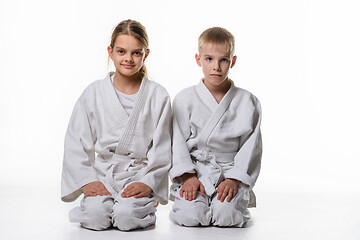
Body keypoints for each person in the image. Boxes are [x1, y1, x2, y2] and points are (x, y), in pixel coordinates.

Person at [61, 19, 171, 231]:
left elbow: (163, 147)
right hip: (104, 173)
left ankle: (143, 205)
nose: (128, 59)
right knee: (94, 217)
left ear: (145, 54)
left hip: (139, 174)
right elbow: (76, 141)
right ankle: (99, 204)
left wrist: (149, 182)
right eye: (121, 51)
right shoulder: (93, 93)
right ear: (110, 52)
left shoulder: (158, 95)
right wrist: (87, 181)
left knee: (127, 217)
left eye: (136, 53)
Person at [169, 27, 262, 227]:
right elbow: (176, 142)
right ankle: (190, 201)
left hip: (230, 171)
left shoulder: (248, 101)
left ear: (233, 61)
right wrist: (188, 176)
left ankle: (234, 203)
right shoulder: (184, 99)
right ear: (198, 59)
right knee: (191, 216)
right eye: (209, 59)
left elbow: (251, 147)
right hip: (196, 169)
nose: (216, 67)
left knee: (225, 216)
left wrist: (234, 180)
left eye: (223, 60)